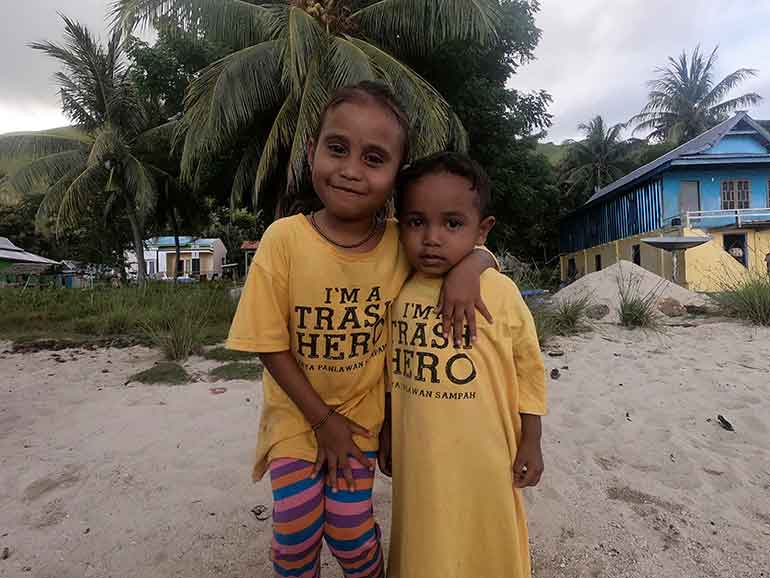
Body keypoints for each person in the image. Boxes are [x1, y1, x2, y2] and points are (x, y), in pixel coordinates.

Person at [226, 82, 497, 578]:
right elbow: (268, 345)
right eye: (337, 149)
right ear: (312, 151)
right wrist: (321, 421)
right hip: (295, 419)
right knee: (297, 532)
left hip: (361, 421)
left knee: (352, 535)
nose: (351, 170)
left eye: (374, 158)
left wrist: (473, 265)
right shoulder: (283, 240)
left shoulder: (402, 241)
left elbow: (464, 242)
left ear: (395, 175)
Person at [381, 152, 547, 578]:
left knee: (486, 543)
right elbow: (388, 370)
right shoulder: (396, 287)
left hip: (486, 458)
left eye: (452, 223)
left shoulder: (500, 292)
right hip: (419, 455)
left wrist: (532, 439)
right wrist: (387, 427)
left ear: (482, 228)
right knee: (424, 542)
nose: (432, 237)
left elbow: (529, 369)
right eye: (417, 222)